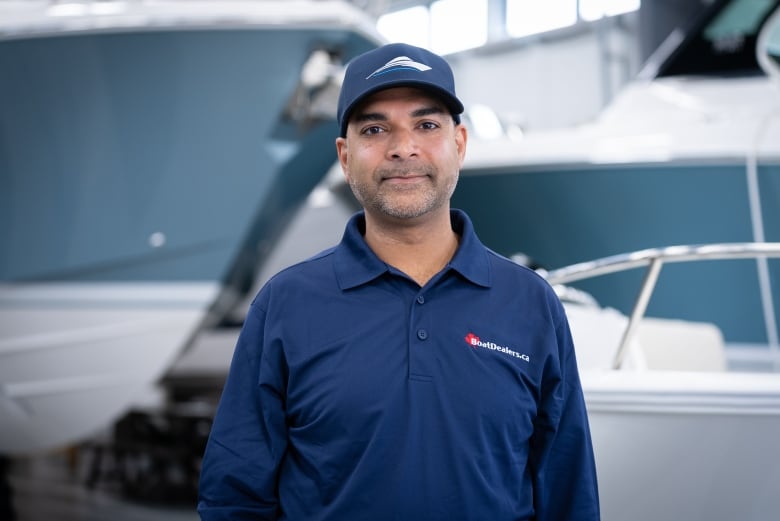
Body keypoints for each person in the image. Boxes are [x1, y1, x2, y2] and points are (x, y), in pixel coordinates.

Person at [197, 42, 600, 521]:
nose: (403, 147)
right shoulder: (285, 305)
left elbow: (568, 492)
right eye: (375, 129)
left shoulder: (531, 304)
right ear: (345, 157)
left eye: (427, 125)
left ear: (460, 144)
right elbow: (233, 497)